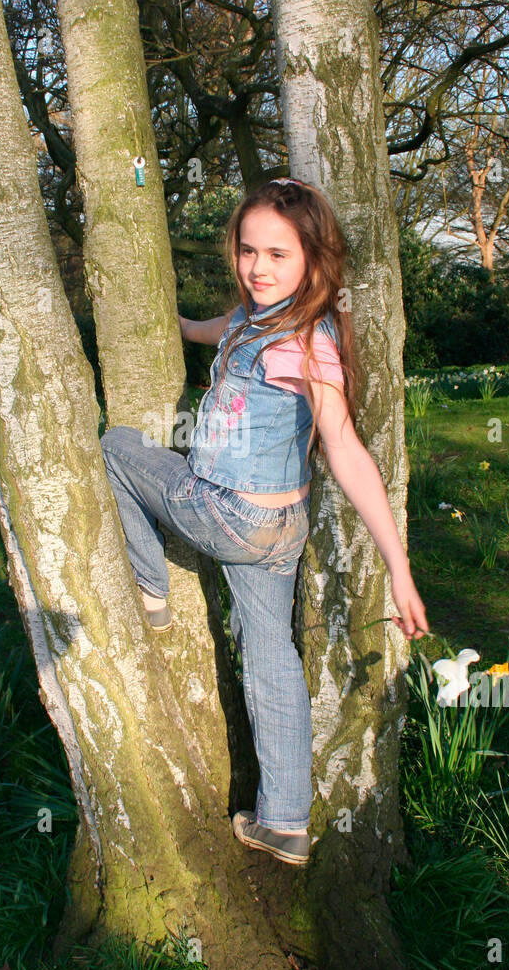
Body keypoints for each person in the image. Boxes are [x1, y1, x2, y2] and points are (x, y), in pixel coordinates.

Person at [100, 177, 428, 867]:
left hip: (228, 512)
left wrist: (399, 570)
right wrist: (181, 327)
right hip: (280, 531)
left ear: (314, 257)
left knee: (120, 449)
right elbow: (220, 330)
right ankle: (283, 821)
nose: (258, 267)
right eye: (249, 251)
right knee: (271, 656)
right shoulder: (260, 316)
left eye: (278, 255)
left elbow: (345, 449)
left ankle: (150, 588)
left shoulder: (307, 343)